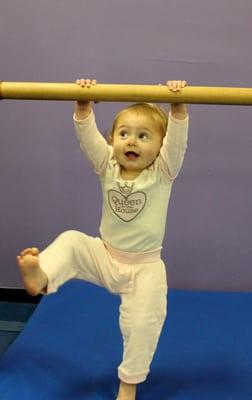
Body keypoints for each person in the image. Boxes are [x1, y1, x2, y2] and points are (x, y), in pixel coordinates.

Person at [17, 78, 189, 400]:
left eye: (143, 136)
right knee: (71, 240)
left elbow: (178, 142)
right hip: (104, 256)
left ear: (160, 145)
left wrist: (177, 105)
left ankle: (128, 384)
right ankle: (41, 276)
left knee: (145, 322)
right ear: (112, 140)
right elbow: (88, 141)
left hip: (144, 268)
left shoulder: (163, 171)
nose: (131, 142)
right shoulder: (107, 165)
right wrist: (84, 107)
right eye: (123, 134)